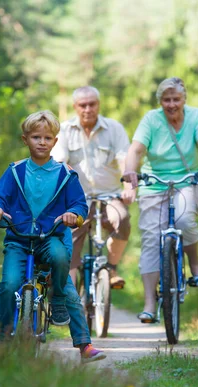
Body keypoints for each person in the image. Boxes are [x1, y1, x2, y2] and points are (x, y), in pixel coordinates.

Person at [0, 110, 106, 363]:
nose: (41, 142)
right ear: (25, 139)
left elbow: (79, 205)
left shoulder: (65, 174)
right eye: (35, 137)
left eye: (47, 138)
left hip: (51, 238)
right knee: (8, 285)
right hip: (19, 239)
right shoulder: (15, 171)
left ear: (55, 142)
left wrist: (73, 214)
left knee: (64, 274)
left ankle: (84, 344)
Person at [122, 77, 198, 323]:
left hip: (186, 181)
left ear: (184, 99)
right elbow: (135, 150)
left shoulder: (196, 116)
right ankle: (149, 304)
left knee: (184, 220)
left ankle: (195, 264)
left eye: (176, 99)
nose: (171, 104)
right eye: (166, 100)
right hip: (154, 184)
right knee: (150, 240)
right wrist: (129, 177)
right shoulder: (151, 120)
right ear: (160, 101)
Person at [51, 86, 136, 289]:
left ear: (99, 105)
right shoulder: (65, 130)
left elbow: (124, 159)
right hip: (77, 199)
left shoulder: (114, 128)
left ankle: (112, 268)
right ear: (75, 107)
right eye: (83, 105)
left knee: (122, 219)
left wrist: (129, 186)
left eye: (92, 104)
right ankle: (69, 301)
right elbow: (59, 159)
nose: (88, 109)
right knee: (69, 244)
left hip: (109, 195)